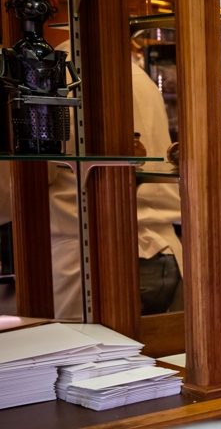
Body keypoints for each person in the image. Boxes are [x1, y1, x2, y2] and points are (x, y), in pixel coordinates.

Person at [0, 53, 181, 320]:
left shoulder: (45, 77)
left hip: (90, 262)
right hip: (162, 256)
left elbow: (13, 190)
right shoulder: (137, 75)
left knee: (80, 358)